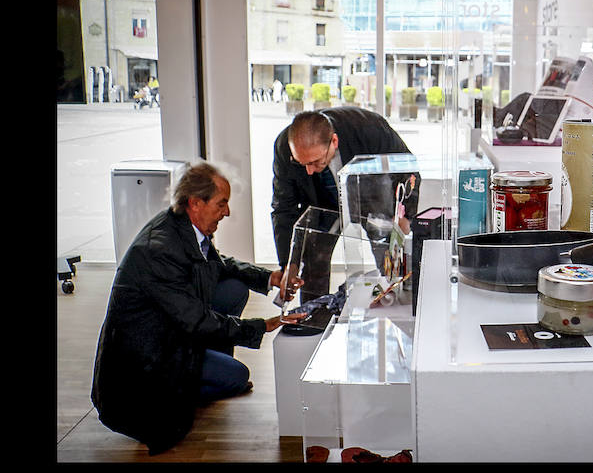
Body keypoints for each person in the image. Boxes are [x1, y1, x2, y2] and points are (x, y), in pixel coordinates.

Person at [91, 161, 304, 455]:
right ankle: (181, 391)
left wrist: (270, 277)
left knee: (233, 286)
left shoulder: (181, 225)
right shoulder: (158, 251)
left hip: (170, 335)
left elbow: (221, 264)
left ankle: (207, 366)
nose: (227, 212)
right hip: (145, 366)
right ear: (195, 203)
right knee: (237, 377)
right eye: (221, 204)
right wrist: (262, 325)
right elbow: (196, 319)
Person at [271, 108, 417, 300]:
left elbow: (409, 167)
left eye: (315, 162)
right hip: (321, 203)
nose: (308, 170)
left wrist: (405, 215)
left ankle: (398, 305)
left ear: (334, 141)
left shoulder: (370, 128)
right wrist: (288, 263)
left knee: (390, 260)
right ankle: (313, 319)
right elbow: (283, 207)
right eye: (301, 163)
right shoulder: (285, 147)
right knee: (313, 261)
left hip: (371, 197)